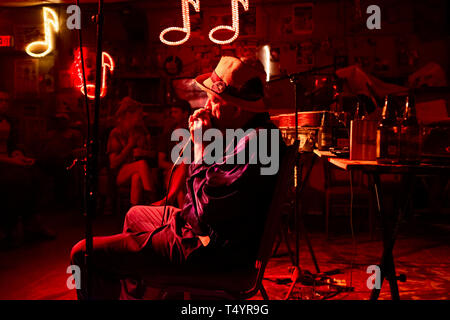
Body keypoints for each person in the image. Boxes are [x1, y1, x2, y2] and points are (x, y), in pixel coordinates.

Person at [70, 56, 286, 300]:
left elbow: (201, 217)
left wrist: (201, 148)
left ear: (236, 109)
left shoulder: (254, 145)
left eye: (213, 100)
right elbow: (201, 204)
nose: (204, 107)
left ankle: (159, 279)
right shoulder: (254, 133)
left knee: (83, 254)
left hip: (208, 251)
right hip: (210, 236)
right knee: (134, 214)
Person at [0, 91, 55, 248]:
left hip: (9, 160)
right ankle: (8, 227)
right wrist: (12, 160)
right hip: (3, 163)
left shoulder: (9, 121)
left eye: (6, 100)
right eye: (0, 100)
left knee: (36, 173)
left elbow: (13, 144)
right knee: (15, 180)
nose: (4, 103)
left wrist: (18, 154)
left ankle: (32, 222)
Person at [107, 97, 156, 206]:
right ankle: (152, 199)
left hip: (141, 172)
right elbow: (113, 163)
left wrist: (143, 152)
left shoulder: (141, 131)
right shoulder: (116, 133)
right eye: (138, 114)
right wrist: (129, 146)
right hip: (121, 173)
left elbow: (153, 154)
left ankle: (134, 211)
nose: (140, 117)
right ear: (129, 115)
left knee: (136, 177)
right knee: (141, 164)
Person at [154, 99, 191, 208]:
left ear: (185, 114)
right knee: (178, 183)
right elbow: (161, 162)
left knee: (183, 178)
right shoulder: (167, 135)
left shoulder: (193, 134)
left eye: (176, 112)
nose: (172, 115)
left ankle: (180, 213)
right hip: (172, 171)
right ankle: (182, 215)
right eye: (171, 112)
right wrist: (177, 168)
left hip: (190, 171)